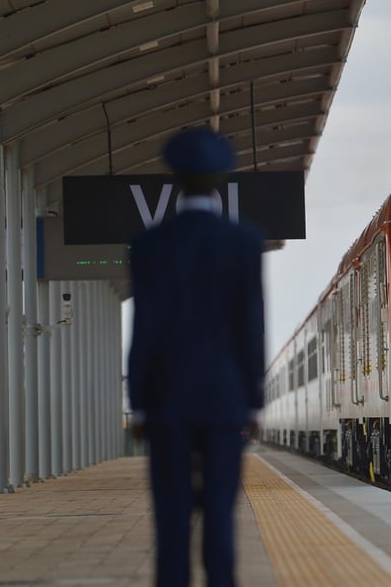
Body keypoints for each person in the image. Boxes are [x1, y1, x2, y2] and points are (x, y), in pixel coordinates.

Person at [128, 127, 265, 587]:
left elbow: (144, 327)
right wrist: (253, 401)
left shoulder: (150, 245)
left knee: (171, 518)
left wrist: (140, 403)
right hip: (225, 400)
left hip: (168, 401)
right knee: (221, 515)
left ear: (175, 178)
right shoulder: (244, 241)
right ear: (221, 178)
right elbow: (250, 325)